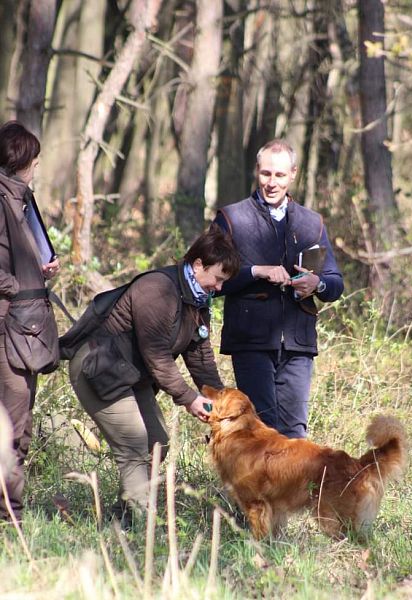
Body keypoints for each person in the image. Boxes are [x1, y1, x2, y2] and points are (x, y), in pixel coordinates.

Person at [66, 226, 240, 521]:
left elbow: (200, 358)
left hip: (132, 376)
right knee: (134, 446)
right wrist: (189, 399)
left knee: (157, 441)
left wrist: (222, 402)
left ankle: (122, 515)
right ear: (199, 265)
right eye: (218, 278)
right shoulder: (157, 290)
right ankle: (144, 526)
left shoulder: (197, 302)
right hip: (99, 369)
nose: (220, 288)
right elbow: (157, 355)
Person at [214, 139, 344, 439]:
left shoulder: (312, 222)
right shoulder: (231, 219)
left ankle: (294, 488)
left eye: (280, 175)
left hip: (298, 343)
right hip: (251, 340)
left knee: (295, 434)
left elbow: (335, 283)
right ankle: (256, 488)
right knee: (260, 431)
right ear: (256, 172)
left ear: (293, 174)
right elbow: (208, 280)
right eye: (266, 174)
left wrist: (317, 283)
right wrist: (255, 272)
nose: (272, 183)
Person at [0, 121, 60, 522]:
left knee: (16, 425)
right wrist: (22, 282)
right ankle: (10, 519)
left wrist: (37, 270)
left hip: (22, 325)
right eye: (34, 162)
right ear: (23, 162)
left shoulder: (18, 200)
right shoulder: (4, 201)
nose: (36, 168)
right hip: (10, 328)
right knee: (12, 428)